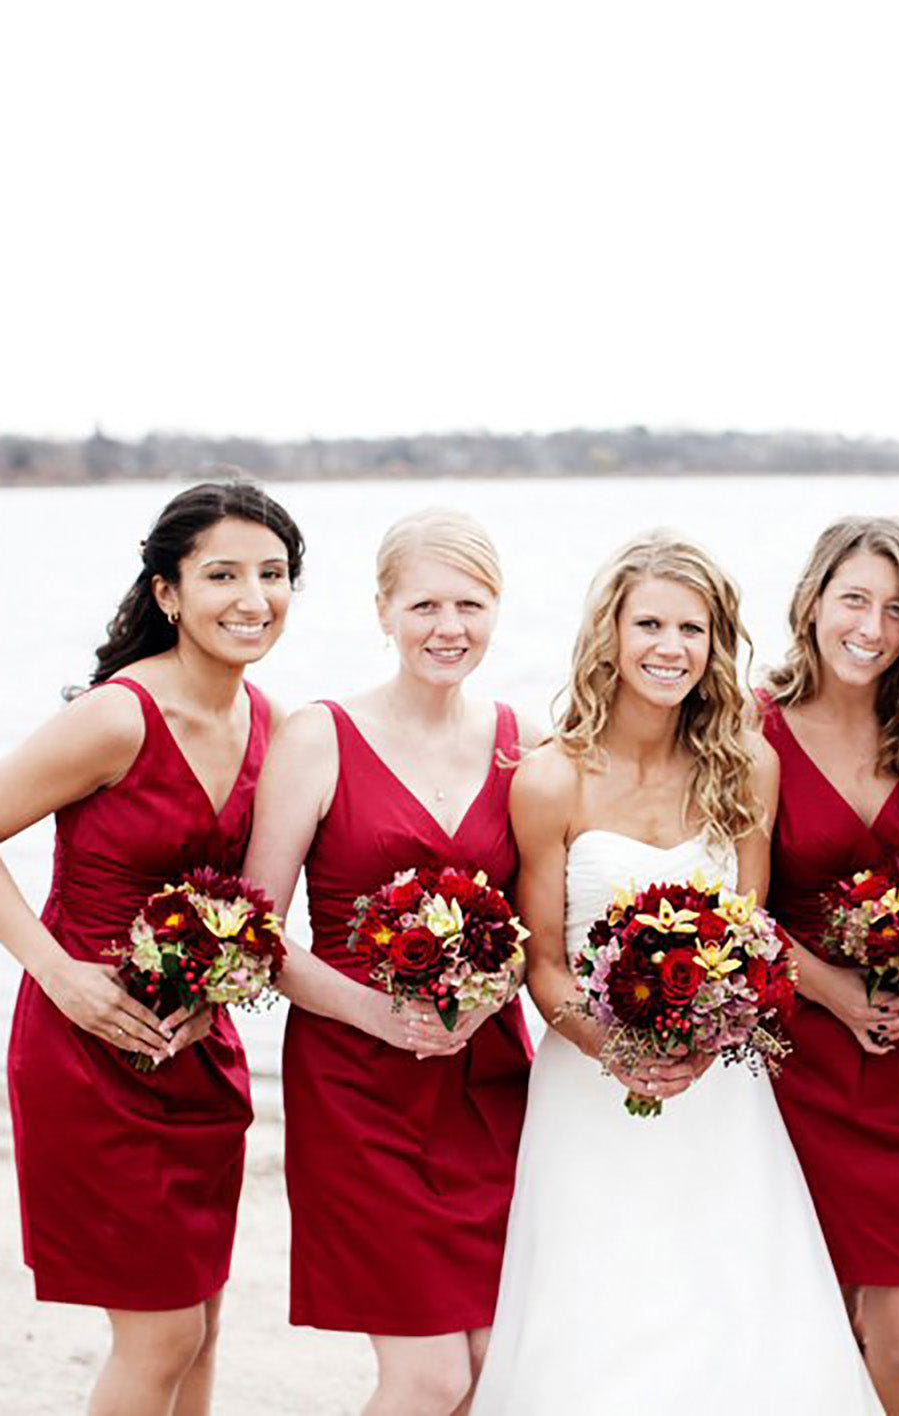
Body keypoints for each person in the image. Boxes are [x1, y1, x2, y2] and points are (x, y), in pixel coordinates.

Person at [471, 529, 878, 1416]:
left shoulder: (746, 767)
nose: (670, 648)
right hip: (592, 1091)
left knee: (736, 1319)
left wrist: (712, 1036)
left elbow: (752, 938)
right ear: (609, 634)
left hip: (722, 1096)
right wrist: (616, 1048)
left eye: (691, 629)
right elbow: (542, 965)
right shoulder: (550, 778)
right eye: (649, 623)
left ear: (716, 641)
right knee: (596, 1330)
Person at [0, 479, 302, 1416]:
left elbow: (262, 902)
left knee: (202, 1325)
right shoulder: (116, 716)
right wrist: (56, 972)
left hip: (197, 1056)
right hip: (86, 1054)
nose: (252, 597)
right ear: (168, 593)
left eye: (274, 574)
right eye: (223, 574)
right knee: (162, 1333)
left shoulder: (275, 725)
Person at [243, 508, 533, 1416]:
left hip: (487, 1083)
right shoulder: (319, 737)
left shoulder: (523, 741)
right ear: (382, 612)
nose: (449, 628)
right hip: (358, 1087)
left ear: (496, 612)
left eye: (471, 605)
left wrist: (489, 1000)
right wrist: (378, 1013)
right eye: (425, 605)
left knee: (493, 1365)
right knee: (430, 1376)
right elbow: (251, 932)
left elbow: (537, 927)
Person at [759, 516, 899, 1416]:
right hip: (801, 1050)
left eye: (897, 609)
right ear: (814, 601)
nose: (873, 627)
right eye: (854, 599)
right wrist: (837, 993)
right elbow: (737, 900)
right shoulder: (754, 722)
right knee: (812, 1309)